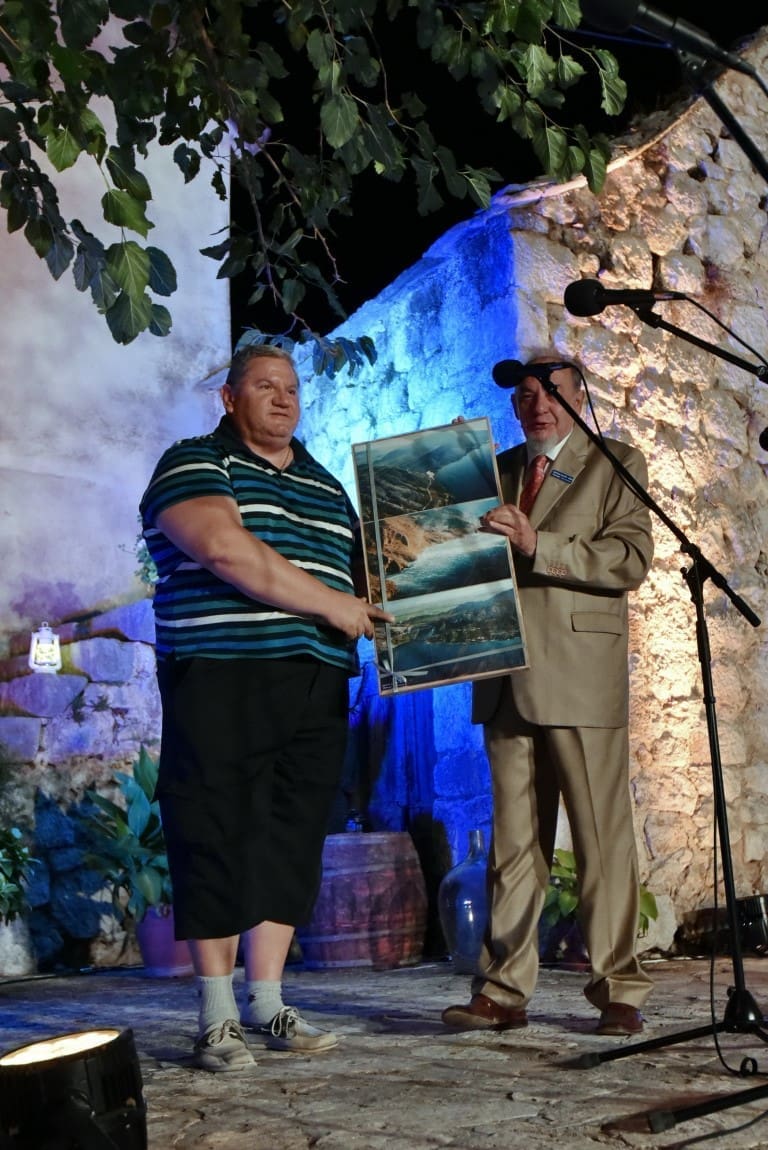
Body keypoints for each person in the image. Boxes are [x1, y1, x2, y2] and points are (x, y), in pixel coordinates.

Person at [139, 343, 391, 1072]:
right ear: (229, 397)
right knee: (216, 828)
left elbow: (378, 578)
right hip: (223, 673)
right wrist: (332, 606)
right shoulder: (195, 461)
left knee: (292, 835)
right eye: (264, 386)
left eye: (292, 389)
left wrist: (467, 540)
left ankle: (268, 1001)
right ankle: (218, 1016)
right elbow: (226, 550)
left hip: (317, 679)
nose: (283, 399)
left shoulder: (327, 486)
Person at [442, 353, 654, 1037]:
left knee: (600, 840)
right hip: (503, 676)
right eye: (527, 395)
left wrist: (541, 543)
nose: (539, 405)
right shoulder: (494, 470)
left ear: (578, 398)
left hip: (580, 675)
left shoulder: (614, 463)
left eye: (553, 392)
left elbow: (630, 558)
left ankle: (618, 988)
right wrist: (443, 478)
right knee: (511, 847)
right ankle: (504, 989)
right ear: (514, 406)